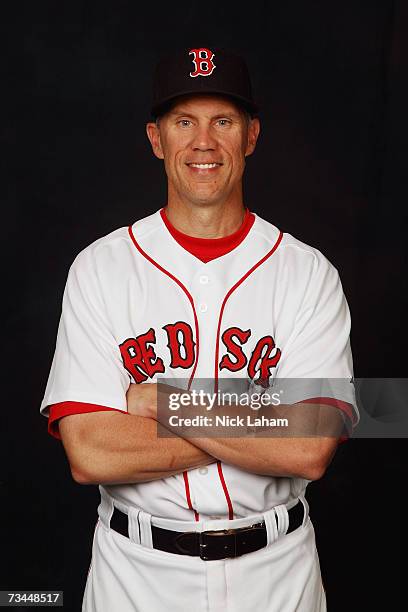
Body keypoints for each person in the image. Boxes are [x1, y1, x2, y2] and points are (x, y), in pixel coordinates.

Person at [40, 47, 358, 611]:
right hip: (135, 577)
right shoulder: (100, 267)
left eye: (223, 122)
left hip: (277, 575)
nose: (203, 142)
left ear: (251, 136)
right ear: (156, 138)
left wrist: (167, 405)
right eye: (184, 121)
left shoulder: (310, 273)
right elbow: (89, 452)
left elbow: (310, 445)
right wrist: (261, 427)